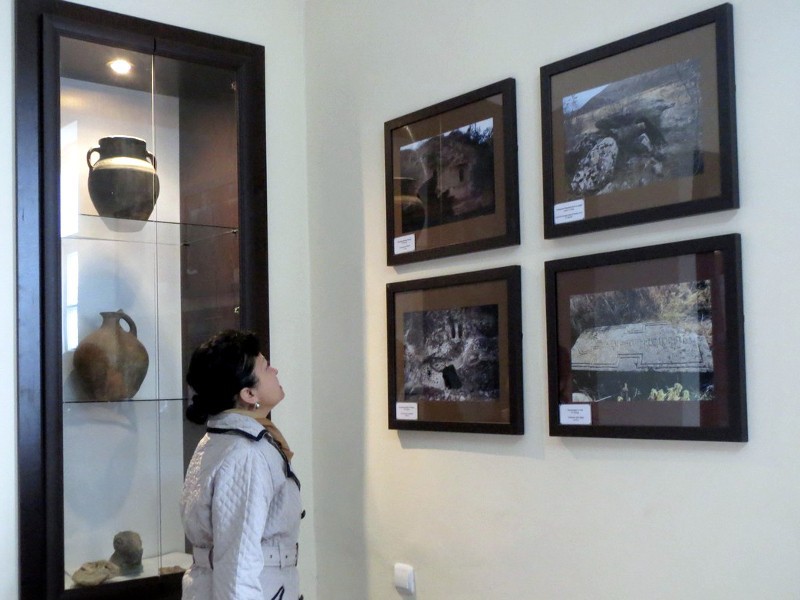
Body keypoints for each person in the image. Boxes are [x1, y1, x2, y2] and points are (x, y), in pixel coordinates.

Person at [180, 329, 303, 600]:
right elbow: (237, 569)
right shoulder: (246, 453)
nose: (275, 370)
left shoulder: (222, 439)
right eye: (266, 367)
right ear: (248, 393)